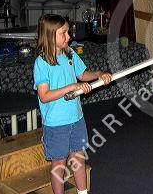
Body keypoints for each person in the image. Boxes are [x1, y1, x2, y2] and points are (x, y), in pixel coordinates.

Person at [33, 14, 112, 194]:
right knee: (59, 164)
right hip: (56, 124)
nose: (69, 37)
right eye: (64, 33)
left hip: (76, 119)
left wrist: (99, 74)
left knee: (78, 158)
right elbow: (44, 96)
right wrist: (71, 87)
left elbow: (83, 75)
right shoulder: (42, 63)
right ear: (51, 36)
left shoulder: (70, 54)